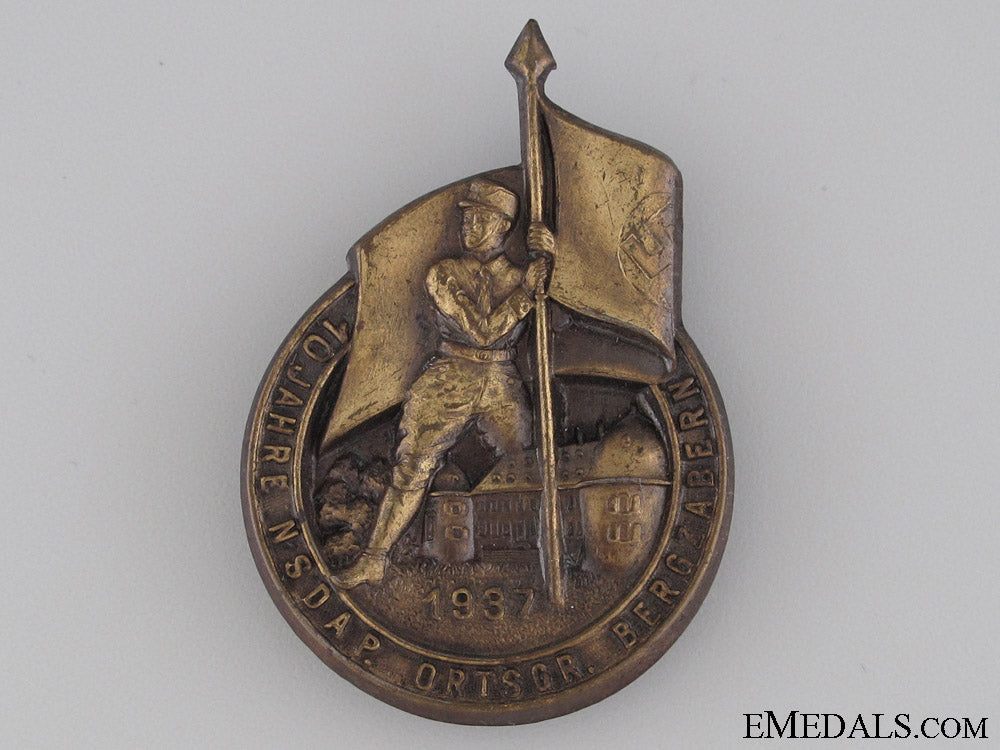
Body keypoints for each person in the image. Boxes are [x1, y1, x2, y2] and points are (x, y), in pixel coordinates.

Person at [333, 179, 552, 587]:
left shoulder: (524, 274)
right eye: (466, 218)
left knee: (525, 467)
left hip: (502, 377)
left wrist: (555, 263)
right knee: (413, 467)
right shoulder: (444, 273)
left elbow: (565, 310)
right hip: (451, 373)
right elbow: (481, 331)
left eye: (480, 219)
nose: (469, 226)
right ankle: (375, 559)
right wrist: (526, 293)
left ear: (504, 227)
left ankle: (534, 560)